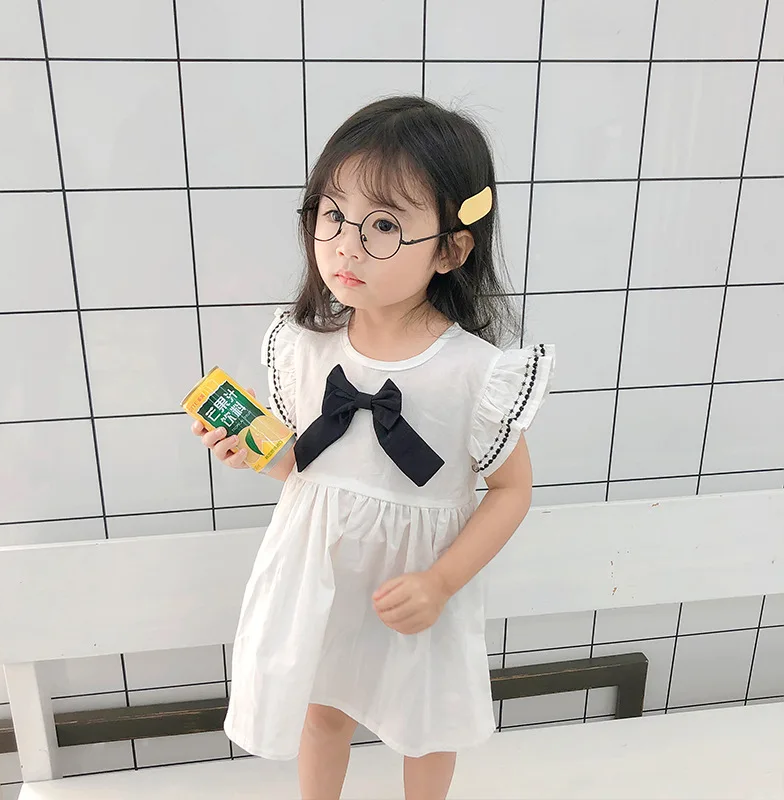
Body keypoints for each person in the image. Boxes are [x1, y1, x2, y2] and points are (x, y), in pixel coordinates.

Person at [191, 95, 555, 800]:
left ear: (451, 248)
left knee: (428, 725)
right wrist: (253, 450)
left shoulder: (473, 373)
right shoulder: (303, 349)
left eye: (384, 225)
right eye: (332, 215)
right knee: (323, 709)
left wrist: (440, 583)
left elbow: (513, 490)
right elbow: (308, 466)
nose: (346, 246)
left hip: (418, 580)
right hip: (322, 573)